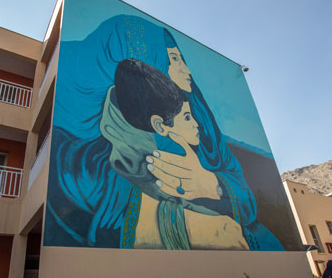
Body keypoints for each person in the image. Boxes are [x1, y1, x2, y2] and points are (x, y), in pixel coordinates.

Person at [45, 14, 285, 251]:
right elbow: (87, 186)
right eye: (173, 59)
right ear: (149, 69)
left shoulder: (199, 118)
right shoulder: (106, 146)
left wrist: (210, 183)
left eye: (182, 58)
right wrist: (183, 225)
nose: (185, 69)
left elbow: (246, 198)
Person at [107, 58, 249, 249]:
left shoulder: (198, 146)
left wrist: (209, 183)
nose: (196, 124)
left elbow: (247, 200)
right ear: (160, 126)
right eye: (187, 117)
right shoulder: (141, 158)